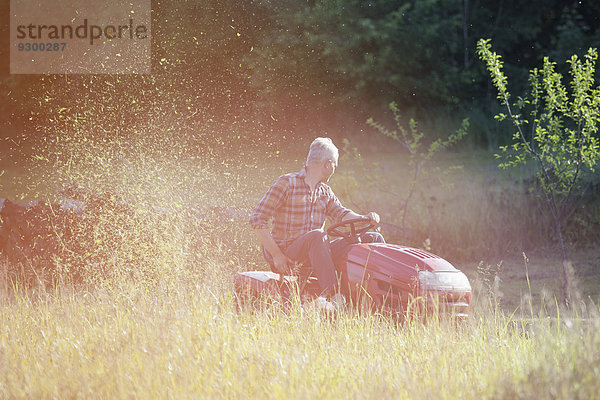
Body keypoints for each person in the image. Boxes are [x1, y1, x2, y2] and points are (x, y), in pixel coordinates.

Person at [249, 137, 384, 308]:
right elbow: (257, 218)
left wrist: (366, 218)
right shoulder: (287, 183)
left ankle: (376, 295)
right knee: (318, 236)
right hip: (288, 254)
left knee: (373, 238)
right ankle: (334, 297)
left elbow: (341, 214)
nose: (334, 169)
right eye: (335, 165)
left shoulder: (325, 192)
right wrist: (276, 255)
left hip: (317, 251)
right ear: (328, 164)